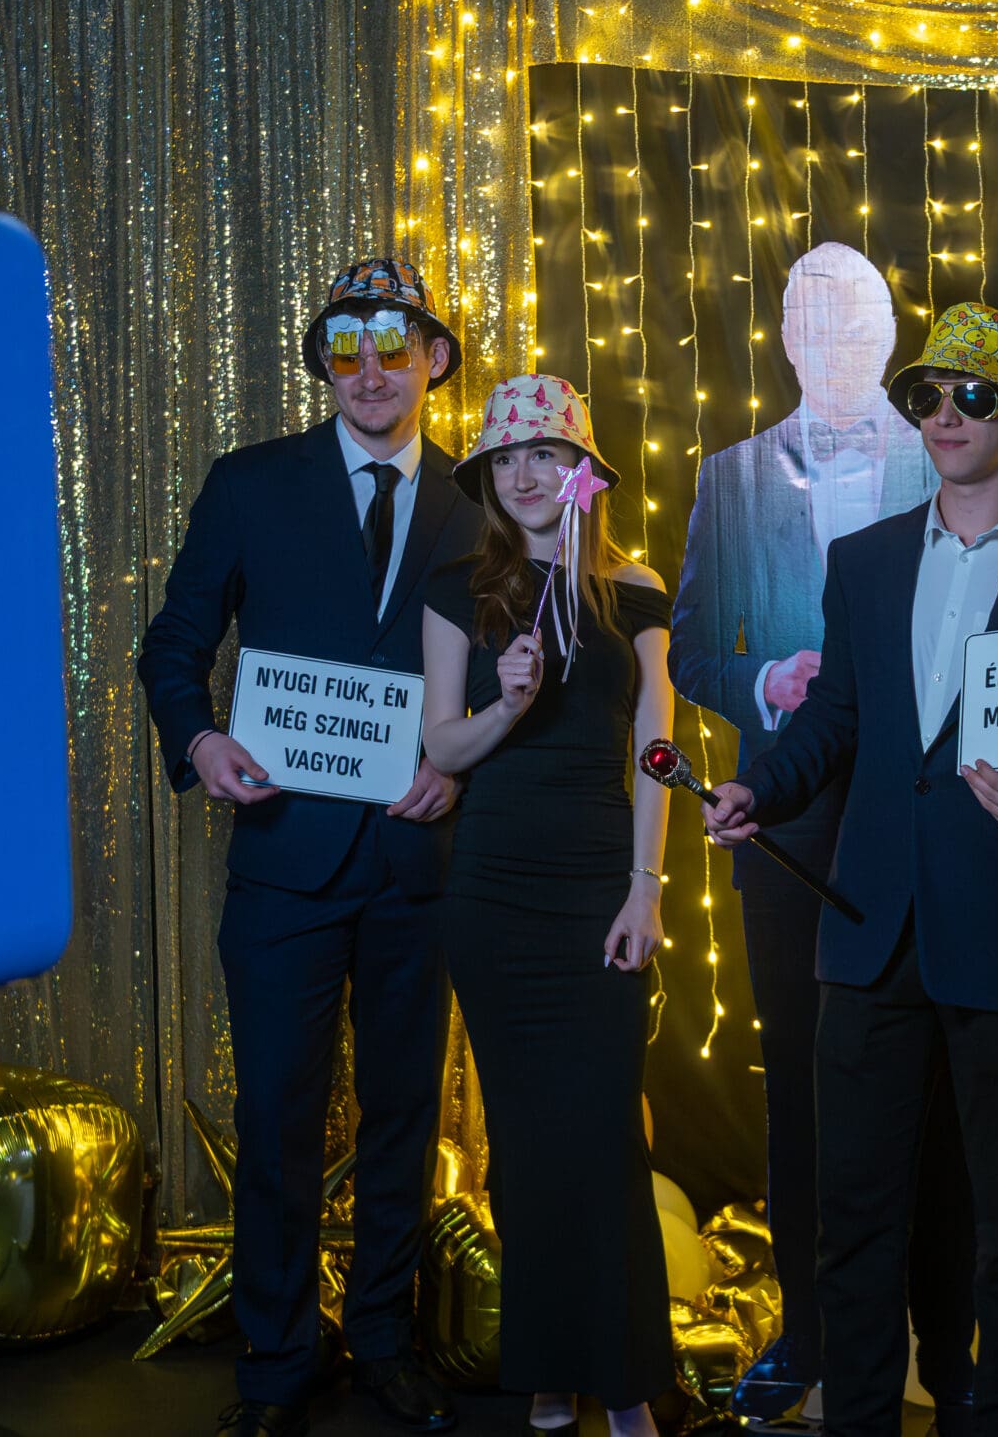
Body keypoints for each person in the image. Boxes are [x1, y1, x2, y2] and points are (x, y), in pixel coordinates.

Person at [701, 303, 998, 1437]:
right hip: (869, 928)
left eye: (974, 395)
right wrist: (760, 790)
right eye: (927, 395)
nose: (945, 414)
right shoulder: (866, 561)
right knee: (854, 1211)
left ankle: (997, 1421)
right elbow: (834, 719)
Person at [138, 258, 482, 1437]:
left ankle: (383, 1340)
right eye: (346, 348)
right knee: (278, 1121)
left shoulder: (480, 498)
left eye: (394, 346)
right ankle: (277, 1359)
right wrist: (199, 738)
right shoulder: (250, 483)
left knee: (401, 1119)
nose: (370, 370)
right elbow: (173, 642)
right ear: (324, 365)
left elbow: (510, 673)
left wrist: (460, 762)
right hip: (283, 859)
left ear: (435, 358)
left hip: (416, 863)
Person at [668, 242, 967, 1424]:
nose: (837, 347)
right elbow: (692, 646)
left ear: (888, 340)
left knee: (928, 1077)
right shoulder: (730, 474)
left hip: (919, 816)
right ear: (787, 340)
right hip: (785, 821)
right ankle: (809, 1331)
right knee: (797, 1082)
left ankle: (936, 1337)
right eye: (814, 325)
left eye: (859, 326)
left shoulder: (944, 454)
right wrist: (761, 683)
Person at [416, 374, 677, 1437]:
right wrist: (508, 701)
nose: (525, 474)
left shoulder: (635, 588)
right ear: (488, 477)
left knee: (605, 1138)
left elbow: (655, 744)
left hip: (598, 882)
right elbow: (444, 746)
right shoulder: (457, 588)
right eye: (506, 458)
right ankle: (548, 1369)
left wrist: (646, 886)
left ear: (583, 472)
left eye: (546, 454)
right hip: (493, 890)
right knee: (524, 1147)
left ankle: (625, 1380)